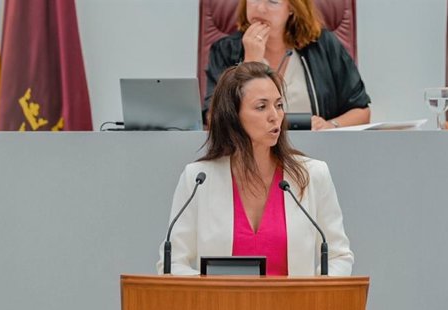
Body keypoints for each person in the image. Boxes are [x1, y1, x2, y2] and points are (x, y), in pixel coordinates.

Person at [158, 62, 353, 276]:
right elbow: (171, 264)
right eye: (262, 107)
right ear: (233, 116)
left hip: (295, 308)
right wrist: (210, 288)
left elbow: (339, 256)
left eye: (278, 105)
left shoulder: (312, 175)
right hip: (220, 308)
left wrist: (314, 297)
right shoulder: (198, 179)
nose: (275, 116)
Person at [204, 0, 370, 131]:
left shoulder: (323, 45)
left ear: (292, 7)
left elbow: (362, 112)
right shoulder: (224, 50)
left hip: (314, 154)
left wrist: (331, 125)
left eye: (273, 1)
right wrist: (250, 63)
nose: (260, 8)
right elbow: (214, 120)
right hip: (250, 157)